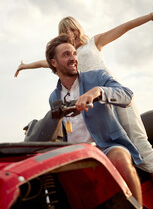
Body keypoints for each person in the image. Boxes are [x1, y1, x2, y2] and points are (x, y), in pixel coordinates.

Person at [15, 4, 153, 209]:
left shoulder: (94, 43)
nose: (72, 34)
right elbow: (44, 63)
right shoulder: (61, 71)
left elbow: (126, 26)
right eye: (67, 31)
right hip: (90, 111)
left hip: (112, 96)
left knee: (138, 142)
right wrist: (24, 66)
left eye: (74, 29)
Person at [46, 33, 143, 206]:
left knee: (120, 157)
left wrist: (98, 91)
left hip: (105, 147)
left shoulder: (97, 77)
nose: (73, 58)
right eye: (66, 54)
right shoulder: (54, 97)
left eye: (74, 53)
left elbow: (127, 95)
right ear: (54, 63)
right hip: (75, 156)